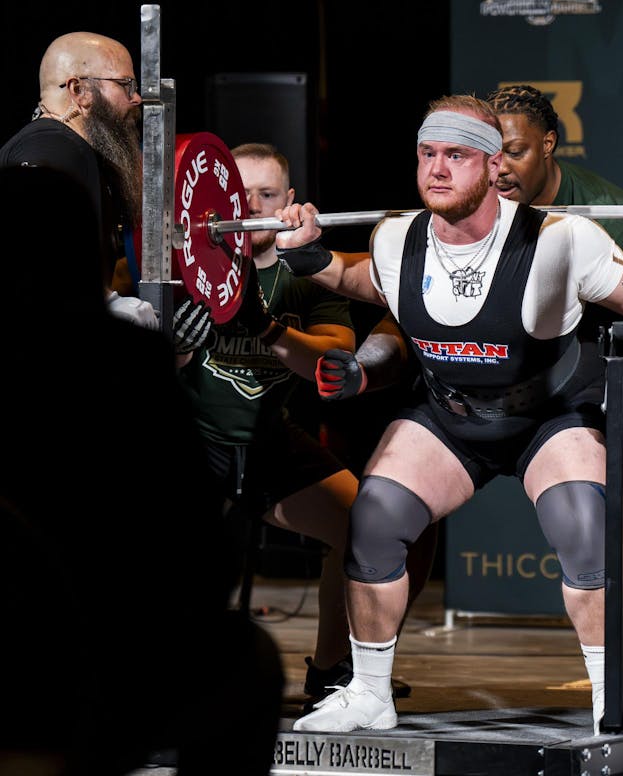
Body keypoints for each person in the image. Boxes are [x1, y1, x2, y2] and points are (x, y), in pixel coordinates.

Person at [270, 94, 623, 735]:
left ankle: (613, 697)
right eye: (427, 155)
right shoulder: (396, 235)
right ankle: (368, 693)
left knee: (584, 529)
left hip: (549, 417)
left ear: (492, 163)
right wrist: (313, 259)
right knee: (375, 517)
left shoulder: (561, 239)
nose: (437, 170)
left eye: (457, 156)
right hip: (451, 415)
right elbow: (370, 282)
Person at [0, 163, 283, 776]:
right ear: (87, 253)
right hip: (93, 675)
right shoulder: (123, 362)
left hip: (46, 663)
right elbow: (198, 554)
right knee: (245, 657)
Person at [176, 142, 370, 708]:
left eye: (266, 195)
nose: (252, 207)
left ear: (289, 202)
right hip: (195, 442)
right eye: (241, 195)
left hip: (265, 442)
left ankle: (331, 671)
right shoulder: (184, 265)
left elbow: (333, 365)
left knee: (365, 523)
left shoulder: (305, 274)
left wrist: (266, 330)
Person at [485, 83, 623, 522]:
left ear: (548, 145)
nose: (499, 171)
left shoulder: (609, 216)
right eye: (491, 155)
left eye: (514, 152)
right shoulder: (478, 205)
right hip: (523, 378)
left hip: (616, 372)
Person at [0, 31, 166, 331]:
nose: (137, 98)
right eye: (126, 85)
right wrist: (109, 307)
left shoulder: (71, 149)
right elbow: (33, 250)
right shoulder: (54, 145)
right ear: (78, 90)